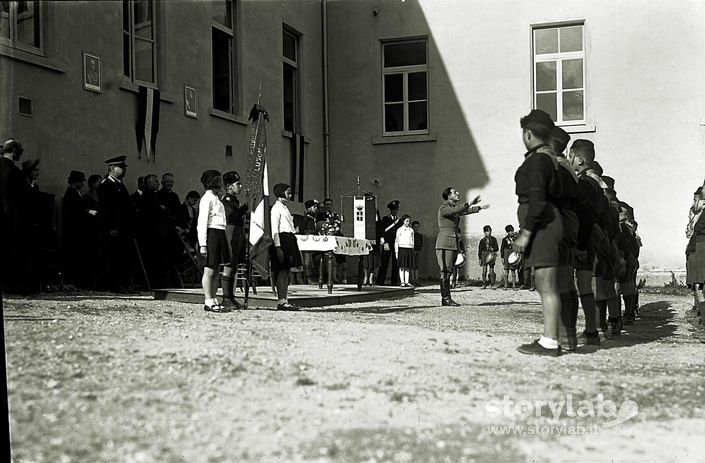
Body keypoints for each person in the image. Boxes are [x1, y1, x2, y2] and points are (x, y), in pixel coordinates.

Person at [513, 109, 563, 357]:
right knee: (546, 284)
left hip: (542, 227)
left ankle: (550, 341)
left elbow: (537, 199)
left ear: (528, 134)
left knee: (546, 285)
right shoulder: (548, 158)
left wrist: (526, 232)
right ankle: (550, 337)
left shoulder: (537, 160)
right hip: (547, 225)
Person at [568, 139, 610, 344]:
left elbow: (584, 216)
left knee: (583, 284)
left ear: (580, 159)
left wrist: (581, 245)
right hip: (596, 236)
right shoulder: (597, 184)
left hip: (586, 237)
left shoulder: (585, 183)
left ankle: (591, 330)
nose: (569, 159)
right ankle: (593, 329)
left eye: (570, 155)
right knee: (586, 284)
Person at [436, 187, 488, 306]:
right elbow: (456, 211)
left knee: (449, 271)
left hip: (452, 242)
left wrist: (478, 208)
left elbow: (463, 211)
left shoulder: (453, 208)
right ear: (448, 196)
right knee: (445, 271)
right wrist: (469, 203)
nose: (457, 193)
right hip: (444, 243)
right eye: (454, 192)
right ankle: (445, 298)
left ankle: (447, 298)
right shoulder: (444, 207)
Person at [97, 155, 135, 293]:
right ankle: (116, 285)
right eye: (121, 167)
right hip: (113, 229)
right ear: (112, 168)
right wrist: (112, 227)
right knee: (115, 258)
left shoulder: (120, 184)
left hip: (124, 228)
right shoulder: (105, 185)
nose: (124, 170)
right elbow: (106, 209)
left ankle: (125, 284)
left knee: (124, 257)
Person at [0, 139, 31, 293]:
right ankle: (13, 285)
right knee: (14, 252)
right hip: (13, 218)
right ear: (14, 151)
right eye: (20, 151)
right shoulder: (15, 172)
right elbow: (25, 197)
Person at [197, 170, 230, 312]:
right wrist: (203, 244)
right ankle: (208, 300)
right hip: (211, 234)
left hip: (220, 233)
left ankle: (214, 298)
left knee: (216, 270)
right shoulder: (207, 198)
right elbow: (202, 222)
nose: (221, 183)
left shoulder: (216, 198)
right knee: (209, 269)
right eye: (218, 180)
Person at [270, 183, 302, 310]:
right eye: (287, 192)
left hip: (289, 239)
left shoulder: (285, 208)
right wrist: (278, 247)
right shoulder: (276, 209)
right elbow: (274, 230)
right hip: (282, 240)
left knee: (286, 271)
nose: (290, 195)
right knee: (281, 271)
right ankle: (281, 301)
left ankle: (285, 299)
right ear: (280, 193)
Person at [219, 171, 248, 309]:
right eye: (238, 184)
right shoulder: (226, 200)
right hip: (230, 231)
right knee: (229, 264)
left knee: (234, 265)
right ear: (229, 186)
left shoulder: (234, 200)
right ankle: (225, 297)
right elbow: (233, 216)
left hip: (237, 232)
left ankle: (231, 296)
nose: (240, 186)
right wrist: (246, 207)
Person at [62, 170, 87, 287]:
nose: (83, 184)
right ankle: (72, 280)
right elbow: (75, 213)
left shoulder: (75, 193)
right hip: (73, 231)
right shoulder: (71, 194)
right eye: (81, 182)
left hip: (76, 230)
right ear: (76, 182)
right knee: (73, 256)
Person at [82, 174, 102, 290]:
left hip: (100, 227)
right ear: (93, 184)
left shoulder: (100, 196)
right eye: (98, 182)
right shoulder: (87, 197)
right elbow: (85, 211)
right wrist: (90, 212)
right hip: (91, 229)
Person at [376, 200, 403, 285]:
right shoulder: (385, 219)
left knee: (395, 263)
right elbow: (381, 231)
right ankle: (380, 281)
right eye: (393, 209)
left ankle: (394, 282)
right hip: (387, 243)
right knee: (384, 262)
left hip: (396, 244)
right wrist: (384, 243)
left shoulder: (399, 221)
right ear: (391, 210)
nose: (395, 211)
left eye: (396, 209)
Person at [395, 214, 415, 287]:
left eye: (409, 221)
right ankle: (402, 281)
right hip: (402, 248)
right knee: (402, 266)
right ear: (403, 221)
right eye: (406, 221)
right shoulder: (399, 230)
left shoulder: (411, 230)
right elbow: (396, 241)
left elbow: (413, 240)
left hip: (409, 249)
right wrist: (396, 251)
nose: (407, 223)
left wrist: (412, 248)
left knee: (407, 266)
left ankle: (407, 281)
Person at [478, 225, 499, 289]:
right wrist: (479, 258)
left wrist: (493, 249)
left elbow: (497, 248)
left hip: (491, 254)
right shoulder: (482, 240)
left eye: (489, 231)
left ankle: (492, 283)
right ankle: (484, 283)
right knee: (484, 270)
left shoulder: (493, 239)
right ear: (484, 232)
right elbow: (480, 250)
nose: (488, 233)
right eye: (487, 231)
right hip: (484, 254)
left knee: (491, 270)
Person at [499, 225, 518, 289]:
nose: (511, 232)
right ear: (507, 232)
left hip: (512, 253)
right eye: (510, 231)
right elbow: (502, 249)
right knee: (506, 270)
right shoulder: (505, 239)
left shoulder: (515, 238)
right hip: (506, 254)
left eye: (512, 231)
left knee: (513, 270)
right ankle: (506, 285)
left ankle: (514, 285)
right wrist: (502, 257)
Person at [411, 220, 423, 286]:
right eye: (415, 227)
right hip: (413, 250)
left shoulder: (420, 235)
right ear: (412, 227)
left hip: (418, 251)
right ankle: (413, 280)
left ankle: (417, 280)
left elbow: (421, 243)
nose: (416, 228)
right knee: (413, 265)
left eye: (418, 227)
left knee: (417, 266)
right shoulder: (411, 235)